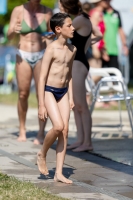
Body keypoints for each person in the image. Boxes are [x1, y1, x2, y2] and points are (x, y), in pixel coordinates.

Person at [37, 13, 76, 184]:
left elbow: (70, 75)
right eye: (69, 25)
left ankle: (59, 173)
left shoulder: (72, 49)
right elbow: (41, 78)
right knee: (58, 126)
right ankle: (42, 153)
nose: (73, 28)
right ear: (58, 29)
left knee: (65, 131)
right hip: (49, 91)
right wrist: (41, 105)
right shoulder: (51, 49)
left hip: (64, 92)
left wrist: (71, 96)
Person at [59, 0, 102, 152]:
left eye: (60, 4)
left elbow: (61, 32)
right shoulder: (81, 18)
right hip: (77, 62)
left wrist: (85, 44)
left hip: (79, 63)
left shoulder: (78, 19)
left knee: (82, 105)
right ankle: (80, 139)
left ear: (67, 5)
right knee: (76, 106)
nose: (59, 7)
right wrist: (87, 42)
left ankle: (87, 142)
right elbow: (99, 34)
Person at [7, 0, 53, 144]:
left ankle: (40, 132)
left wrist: (50, 36)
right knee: (23, 93)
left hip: (41, 54)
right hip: (23, 54)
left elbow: (53, 33)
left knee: (42, 93)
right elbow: (8, 36)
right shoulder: (18, 10)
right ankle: (22, 129)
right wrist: (13, 29)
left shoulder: (47, 11)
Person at [102, 0, 128, 69]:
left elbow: (120, 29)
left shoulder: (116, 13)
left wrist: (124, 45)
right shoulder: (100, 13)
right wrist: (102, 50)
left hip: (113, 50)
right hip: (101, 50)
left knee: (114, 76)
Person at [89, 0, 109, 84]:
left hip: (98, 48)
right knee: (95, 75)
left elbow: (100, 34)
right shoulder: (95, 13)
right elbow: (91, 31)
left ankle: (88, 95)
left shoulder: (101, 14)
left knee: (97, 75)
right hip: (93, 48)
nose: (108, 2)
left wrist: (103, 50)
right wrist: (94, 48)